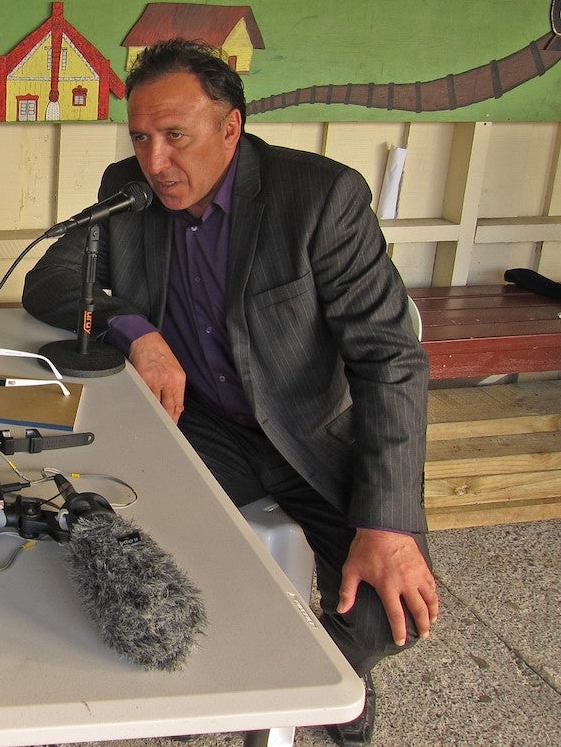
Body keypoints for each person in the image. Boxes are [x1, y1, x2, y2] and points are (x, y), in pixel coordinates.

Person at [22, 39, 438, 746]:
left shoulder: (320, 198)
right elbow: (50, 281)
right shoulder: (130, 187)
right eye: (142, 137)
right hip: (207, 425)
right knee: (113, 537)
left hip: (315, 432)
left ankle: (332, 683)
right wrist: (137, 331)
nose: (156, 161)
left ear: (231, 128)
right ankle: (216, 679)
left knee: (386, 616)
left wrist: (390, 524)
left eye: (175, 136)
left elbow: (390, 360)